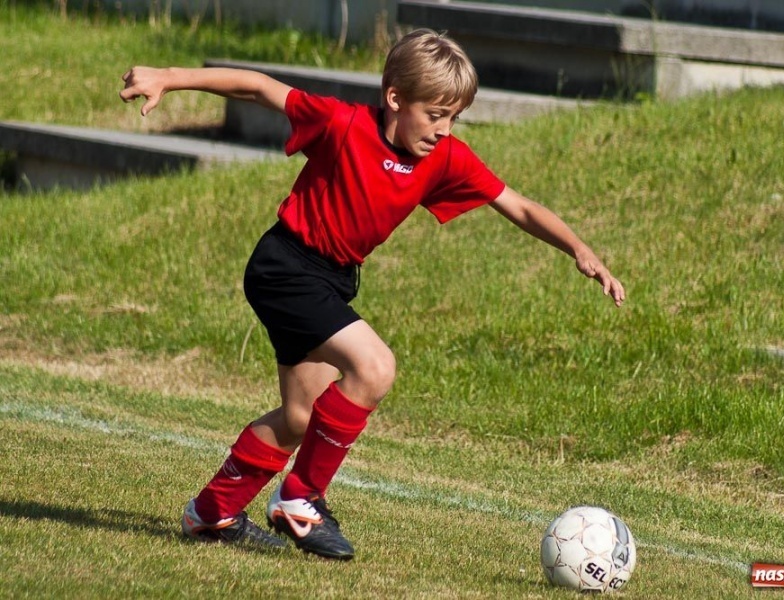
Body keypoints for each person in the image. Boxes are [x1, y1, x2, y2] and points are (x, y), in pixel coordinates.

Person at [120, 28, 625, 560]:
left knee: (299, 418)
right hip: (286, 266)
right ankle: (300, 498)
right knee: (375, 367)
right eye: (434, 114)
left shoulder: (444, 158)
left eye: (454, 117)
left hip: (330, 279)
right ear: (394, 99)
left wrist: (578, 248)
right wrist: (169, 78)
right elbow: (258, 87)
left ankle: (211, 513)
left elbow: (516, 204)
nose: (443, 129)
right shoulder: (342, 125)